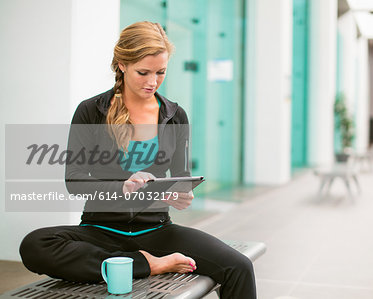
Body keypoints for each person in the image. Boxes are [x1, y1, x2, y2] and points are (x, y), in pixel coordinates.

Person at [19, 21, 256, 298]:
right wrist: (122, 186)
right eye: (143, 72)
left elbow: (181, 175)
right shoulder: (90, 111)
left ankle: (127, 263)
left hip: (157, 231)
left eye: (160, 72)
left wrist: (182, 196)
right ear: (122, 64)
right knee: (34, 245)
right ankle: (147, 265)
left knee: (239, 267)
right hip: (101, 230)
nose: (152, 82)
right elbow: (74, 181)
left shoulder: (175, 116)